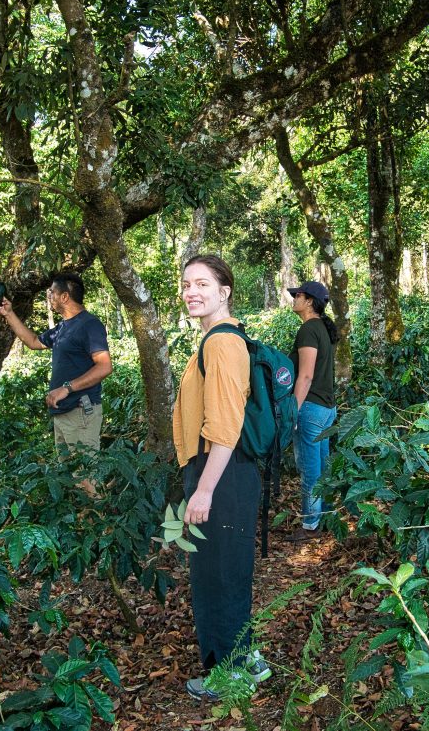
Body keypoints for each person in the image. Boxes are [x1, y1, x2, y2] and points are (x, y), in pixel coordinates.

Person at [173, 254, 270, 701]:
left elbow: (226, 427)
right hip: (220, 471)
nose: (191, 292)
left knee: (217, 574)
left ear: (224, 291)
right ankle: (245, 657)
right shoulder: (215, 340)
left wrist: (204, 490)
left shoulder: (222, 344)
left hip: (222, 473)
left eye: (202, 284)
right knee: (225, 569)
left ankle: (230, 675)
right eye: (187, 284)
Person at [0, 273, 113, 469]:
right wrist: (8, 313)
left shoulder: (89, 325)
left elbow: (104, 366)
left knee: (85, 478)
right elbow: (33, 342)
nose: (48, 296)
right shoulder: (62, 328)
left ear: (65, 297)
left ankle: (99, 501)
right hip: (63, 412)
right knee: (69, 476)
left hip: (80, 412)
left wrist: (67, 388)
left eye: (51, 292)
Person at [287, 281, 339, 543]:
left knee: (310, 469)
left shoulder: (308, 329)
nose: (294, 298)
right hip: (327, 409)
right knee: (322, 467)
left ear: (308, 301)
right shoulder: (321, 328)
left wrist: (292, 411)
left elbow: (305, 376)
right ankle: (325, 516)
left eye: (297, 295)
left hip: (311, 409)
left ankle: (310, 525)